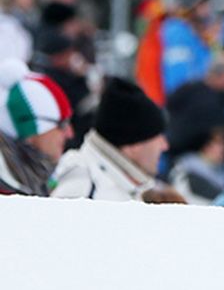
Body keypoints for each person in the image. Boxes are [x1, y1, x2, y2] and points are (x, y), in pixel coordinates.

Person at [50, 76, 178, 202]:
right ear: (134, 145)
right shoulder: (82, 186)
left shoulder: (117, 183)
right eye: (158, 137)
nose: (165, 145)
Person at [0, 67, 73, 197]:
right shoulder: (7, 189)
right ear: (29, 129)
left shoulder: (34, 179)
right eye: (62, 124)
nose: (69, 134)